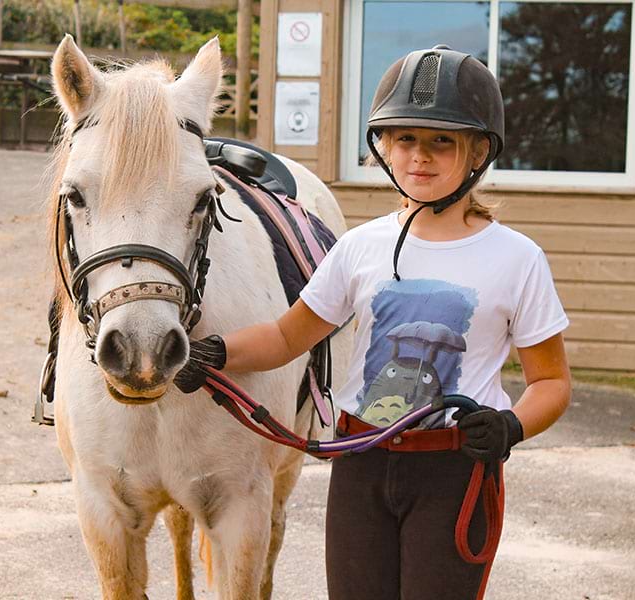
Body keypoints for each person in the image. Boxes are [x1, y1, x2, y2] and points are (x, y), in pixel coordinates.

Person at [175, 45, 571, 600]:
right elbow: (288, 336)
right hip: (360, 463)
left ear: (479, 151)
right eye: (405, 139)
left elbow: (551, 382)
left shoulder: (517, 259)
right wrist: (215, 352)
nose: (420, 156)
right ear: (383, 146)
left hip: (454, 469)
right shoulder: (360, 248)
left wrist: (512, 426)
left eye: (441, 141)